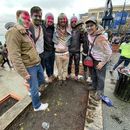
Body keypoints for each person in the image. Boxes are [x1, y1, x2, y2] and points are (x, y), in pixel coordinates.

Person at [6, 10, 48, 111]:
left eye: (28, 19)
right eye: (24, 18)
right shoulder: (13, 32)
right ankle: (37, 106)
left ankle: (33, 91)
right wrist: (24, 73)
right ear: (17, 18)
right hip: (29, 66)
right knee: (34, 87)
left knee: (42, 80)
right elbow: (14, 56)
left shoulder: (26, 31)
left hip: (37, 63)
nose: (27, 21)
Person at [85, 17, 112, 100]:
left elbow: (109, 52)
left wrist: (102, 63)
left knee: (100, 77)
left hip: (100, 60)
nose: (89, 28)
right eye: (87, 26)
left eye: (91, 25)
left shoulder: (101, 37)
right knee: (93, 74)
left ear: (96, 26)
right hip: (93, 58)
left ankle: (100, 92)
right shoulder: (89, 34)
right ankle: (94, 86)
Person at [53, 13, 71, 85]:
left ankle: (64, 78)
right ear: (58, 20)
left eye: (64, 19)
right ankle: (60, 78)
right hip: (58, 54)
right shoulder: (55, 29)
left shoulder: (69, 29)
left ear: (66, 20)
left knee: (65, 68)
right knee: (59, 68)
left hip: (66, 53)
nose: (62, 20)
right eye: (61, 19)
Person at [42, 13, 55, 83]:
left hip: (52, 49)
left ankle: (52, 74)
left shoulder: (53, 27)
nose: (50, 20)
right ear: (45, 19)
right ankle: (49, 76)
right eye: (49, 18)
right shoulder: (42, 26)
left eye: (52, 19)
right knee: (47, 65)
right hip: (45, 50)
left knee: (52, 63)